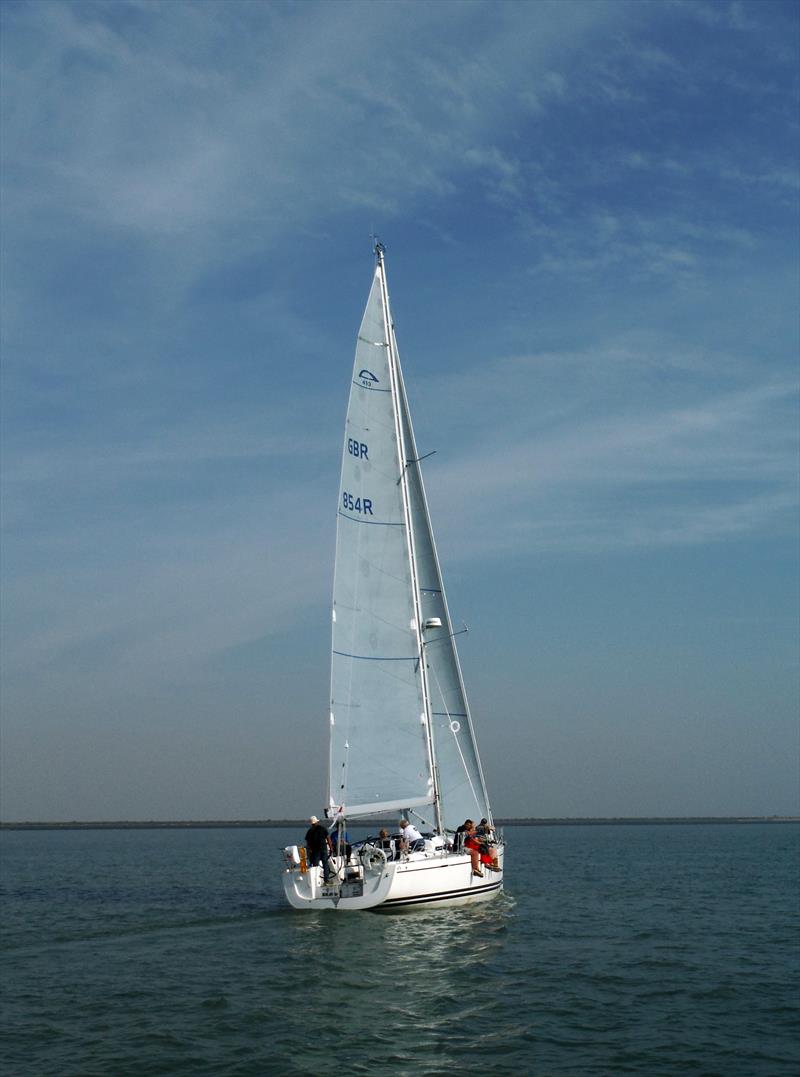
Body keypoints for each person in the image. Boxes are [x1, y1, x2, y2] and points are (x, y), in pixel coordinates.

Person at [305, 815, 334, 883]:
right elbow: (328, 839)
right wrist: (331, 848)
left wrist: (310, 850)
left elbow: (308, 842)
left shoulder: (310, 831)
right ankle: (326, 880)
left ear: (311, 823)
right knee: (325, 864)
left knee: (315, 866)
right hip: (323, 849)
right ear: (317, 822)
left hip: (315, 851)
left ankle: (315, 880)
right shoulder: (322, 828)